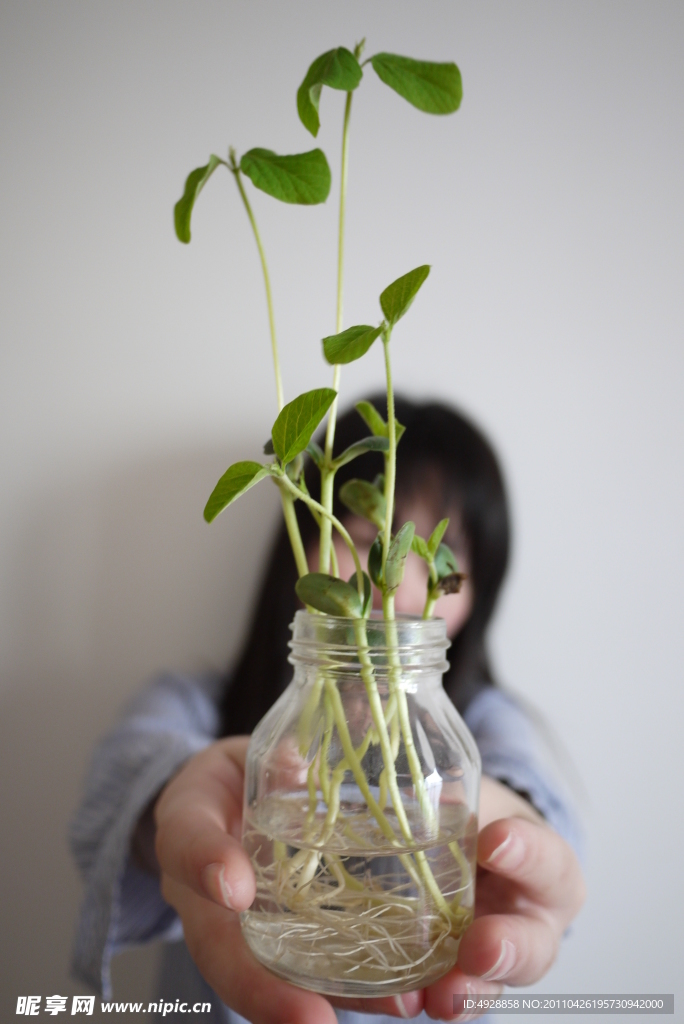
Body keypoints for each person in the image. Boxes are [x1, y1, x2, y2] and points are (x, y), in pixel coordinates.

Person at [70, 396, 585, 1023]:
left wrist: (506, 818)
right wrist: (182, 801)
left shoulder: (486, 719)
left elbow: (533, 799)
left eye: (442, 562)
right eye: (367, 538)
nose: (396, 585)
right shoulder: (199, 703)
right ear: (304, 546)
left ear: (481, 591)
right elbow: (121, 778)